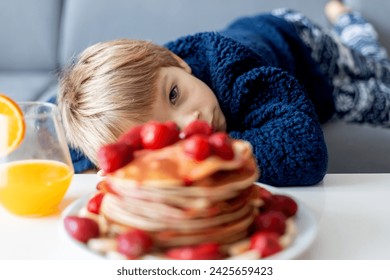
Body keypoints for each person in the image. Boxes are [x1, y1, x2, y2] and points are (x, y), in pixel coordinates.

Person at [53, 0, 390, 186]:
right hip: (287, 89)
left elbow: (304, 151)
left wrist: (186, 156)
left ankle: (348, 20)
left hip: (298, 44)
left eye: (174, 95)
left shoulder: (231, 68)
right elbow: (66, 135)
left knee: (376, 79)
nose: (191, 121)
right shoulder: (153, 81)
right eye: (166, 134)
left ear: (176, 62)